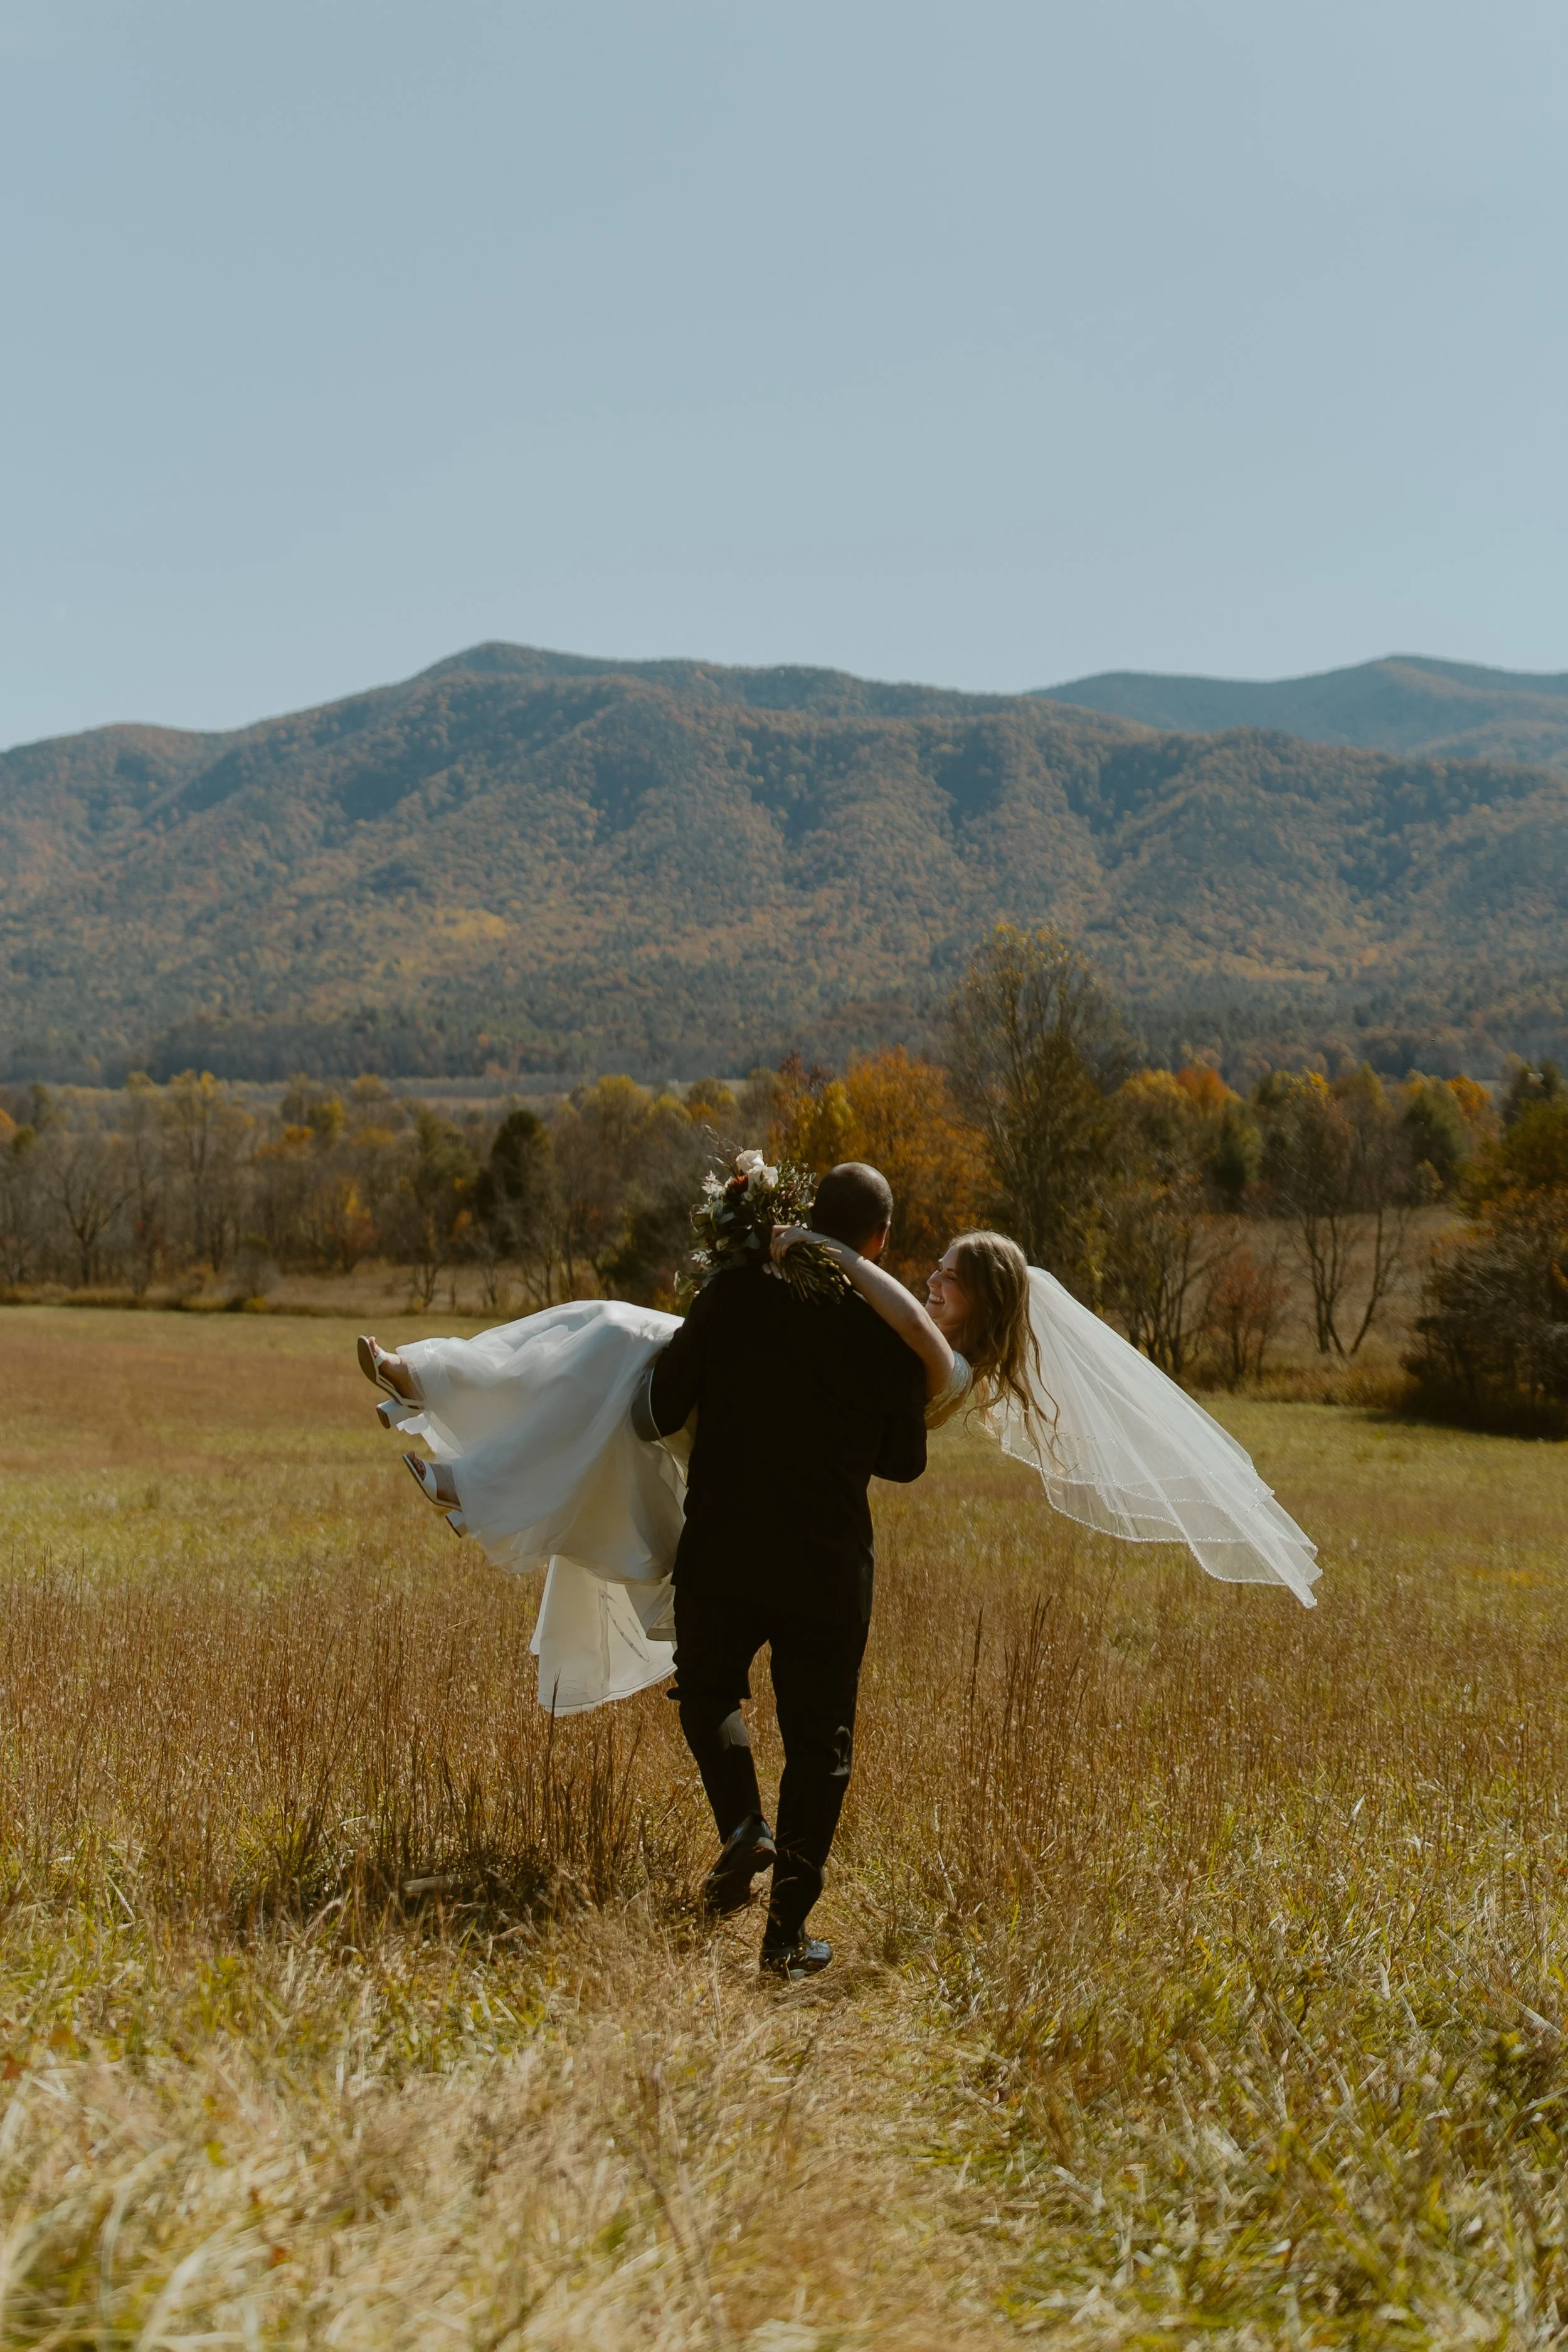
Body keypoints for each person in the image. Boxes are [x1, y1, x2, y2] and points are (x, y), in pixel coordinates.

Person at [637, 1160, 927, 1979]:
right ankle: (784, 1939)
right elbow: (904, 1462)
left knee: (707, 1689)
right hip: (827, 1566)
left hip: (724, 1544)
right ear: (881, 1238)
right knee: (819, 1747)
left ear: (804, 1213)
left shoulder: (733, 1295)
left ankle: (742, 1827)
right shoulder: (885, 1335)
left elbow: (661, 1408)